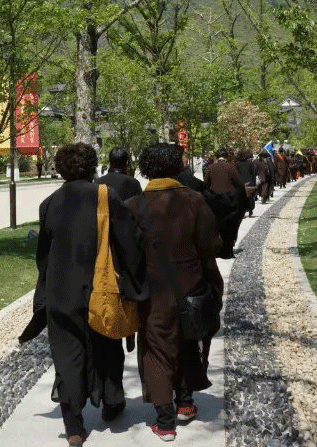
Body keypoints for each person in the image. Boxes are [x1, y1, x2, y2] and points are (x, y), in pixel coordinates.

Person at [20, 143, 148, 445]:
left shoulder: (49, 203)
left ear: (61, 169)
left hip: (60, 290)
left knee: (67, 353)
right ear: (92, 167)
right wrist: (134, 281)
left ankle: (74, 426)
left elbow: (44, 257)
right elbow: (128, 243)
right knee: (106, 345)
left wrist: (44, 294)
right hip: (99, 289)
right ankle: (112, 402)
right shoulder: (106, 197)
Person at [126, 143, 223, 442]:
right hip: (190, 285)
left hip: (153, 292)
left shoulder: (133, 206)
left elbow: (128, 255)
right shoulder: (193, 200)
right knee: (187, 342)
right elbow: (211, 246)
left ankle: (165, 423)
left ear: (145, 169)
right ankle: (186, 402)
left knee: (157, 350)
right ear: (178, 166)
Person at [203, 148, 247, 259]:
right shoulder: (231, 167)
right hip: (229, 201)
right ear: (227, 157)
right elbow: (239, 184)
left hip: (214, 201)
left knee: (215, 226)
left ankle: (216, 248)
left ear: (217, 157)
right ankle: (227, 251)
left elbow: (205, 185)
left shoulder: (211, 168)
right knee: (229, 226)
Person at [235, 150, 258, 217]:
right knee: (250, 197)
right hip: (249, 182)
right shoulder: (250, 163)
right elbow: (253, 174)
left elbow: (236, 175)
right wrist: (254, 183)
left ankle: (243, 211)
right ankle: (250, 210)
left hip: (241, 183)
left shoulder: (237, 164)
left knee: (242, 198)